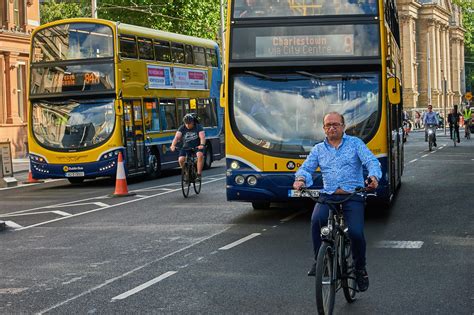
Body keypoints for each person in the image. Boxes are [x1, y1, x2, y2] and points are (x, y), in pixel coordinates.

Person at [292, 112, 381, 292]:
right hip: (329, 195)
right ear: (324, 129)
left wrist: (373, 177)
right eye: (328, 125)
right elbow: (306, 167)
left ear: (343, 126)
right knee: (317, 220)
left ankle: (359, 268)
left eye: (335, 124)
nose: (332, 128)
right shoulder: (319, 149)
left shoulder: (355, 144)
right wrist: (301, 179)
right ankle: (321, 261)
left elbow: (371, 161)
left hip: (352, 195)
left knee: (355, 232)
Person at [170, 114, 206, 178]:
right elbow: (177, 137)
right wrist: (173, 145)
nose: (187, 125)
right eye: (186, 123)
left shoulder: (198, 127)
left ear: (193, 122)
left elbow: (202, 137)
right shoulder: (182, 128)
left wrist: (202, 144)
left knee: (200, 155)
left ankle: (198, 174)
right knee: (181, 159)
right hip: (186, 147)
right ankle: (186, 172)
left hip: (197, 146)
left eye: (189, 123)